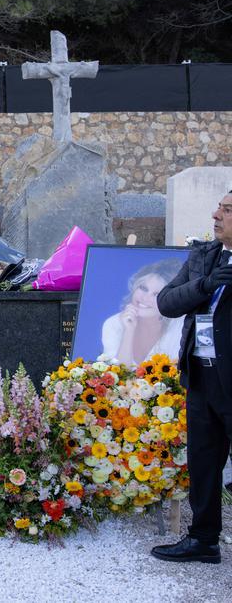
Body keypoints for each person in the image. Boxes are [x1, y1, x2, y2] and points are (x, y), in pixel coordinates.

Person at [151, 190, 232, 564]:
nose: (216, 214)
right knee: (203, 460)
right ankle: (203, 539)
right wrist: (206, 284)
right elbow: (167, 302)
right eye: (219, 206)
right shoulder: (204, 256)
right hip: (201, 374)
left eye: (227, 210)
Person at [100, 259, 184, 366]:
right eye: (143, 288)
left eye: (156, 294)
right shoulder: (113, 324)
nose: (145, 298)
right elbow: (118, 373)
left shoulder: (180, 325)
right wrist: (129, 331)